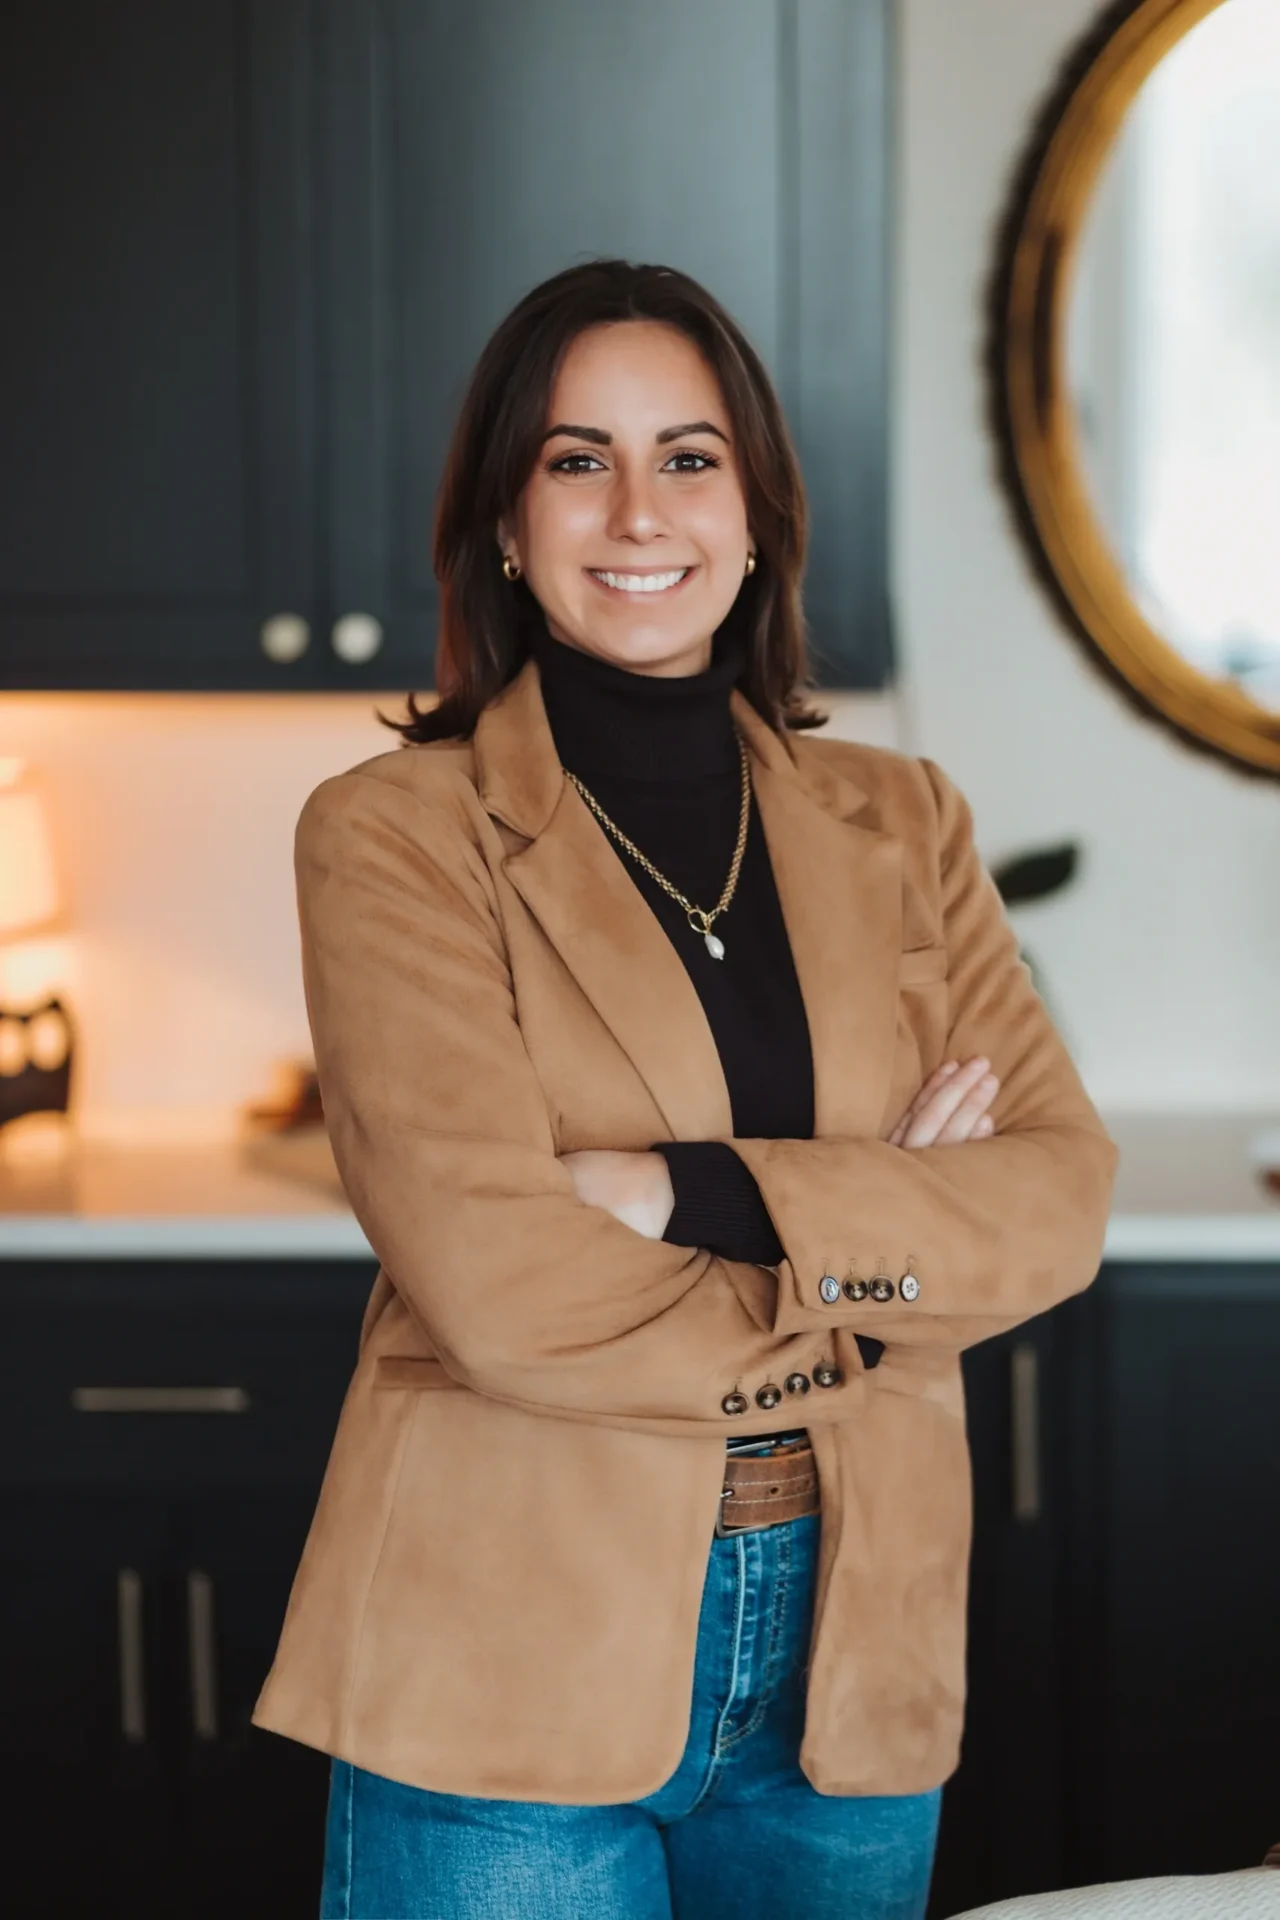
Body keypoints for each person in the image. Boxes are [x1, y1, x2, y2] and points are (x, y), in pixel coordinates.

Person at [253, 259, 1118, 1920]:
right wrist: (887, 1264)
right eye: (578, 458)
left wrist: (683, 1190)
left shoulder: (907, 821)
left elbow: (1059, 1195)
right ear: (507, 522)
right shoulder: (390, 835)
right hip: (506, 1643)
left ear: (756, 509)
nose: (637, 507)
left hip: (851, 1657)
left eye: (689, 455)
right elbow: (497, 1281)